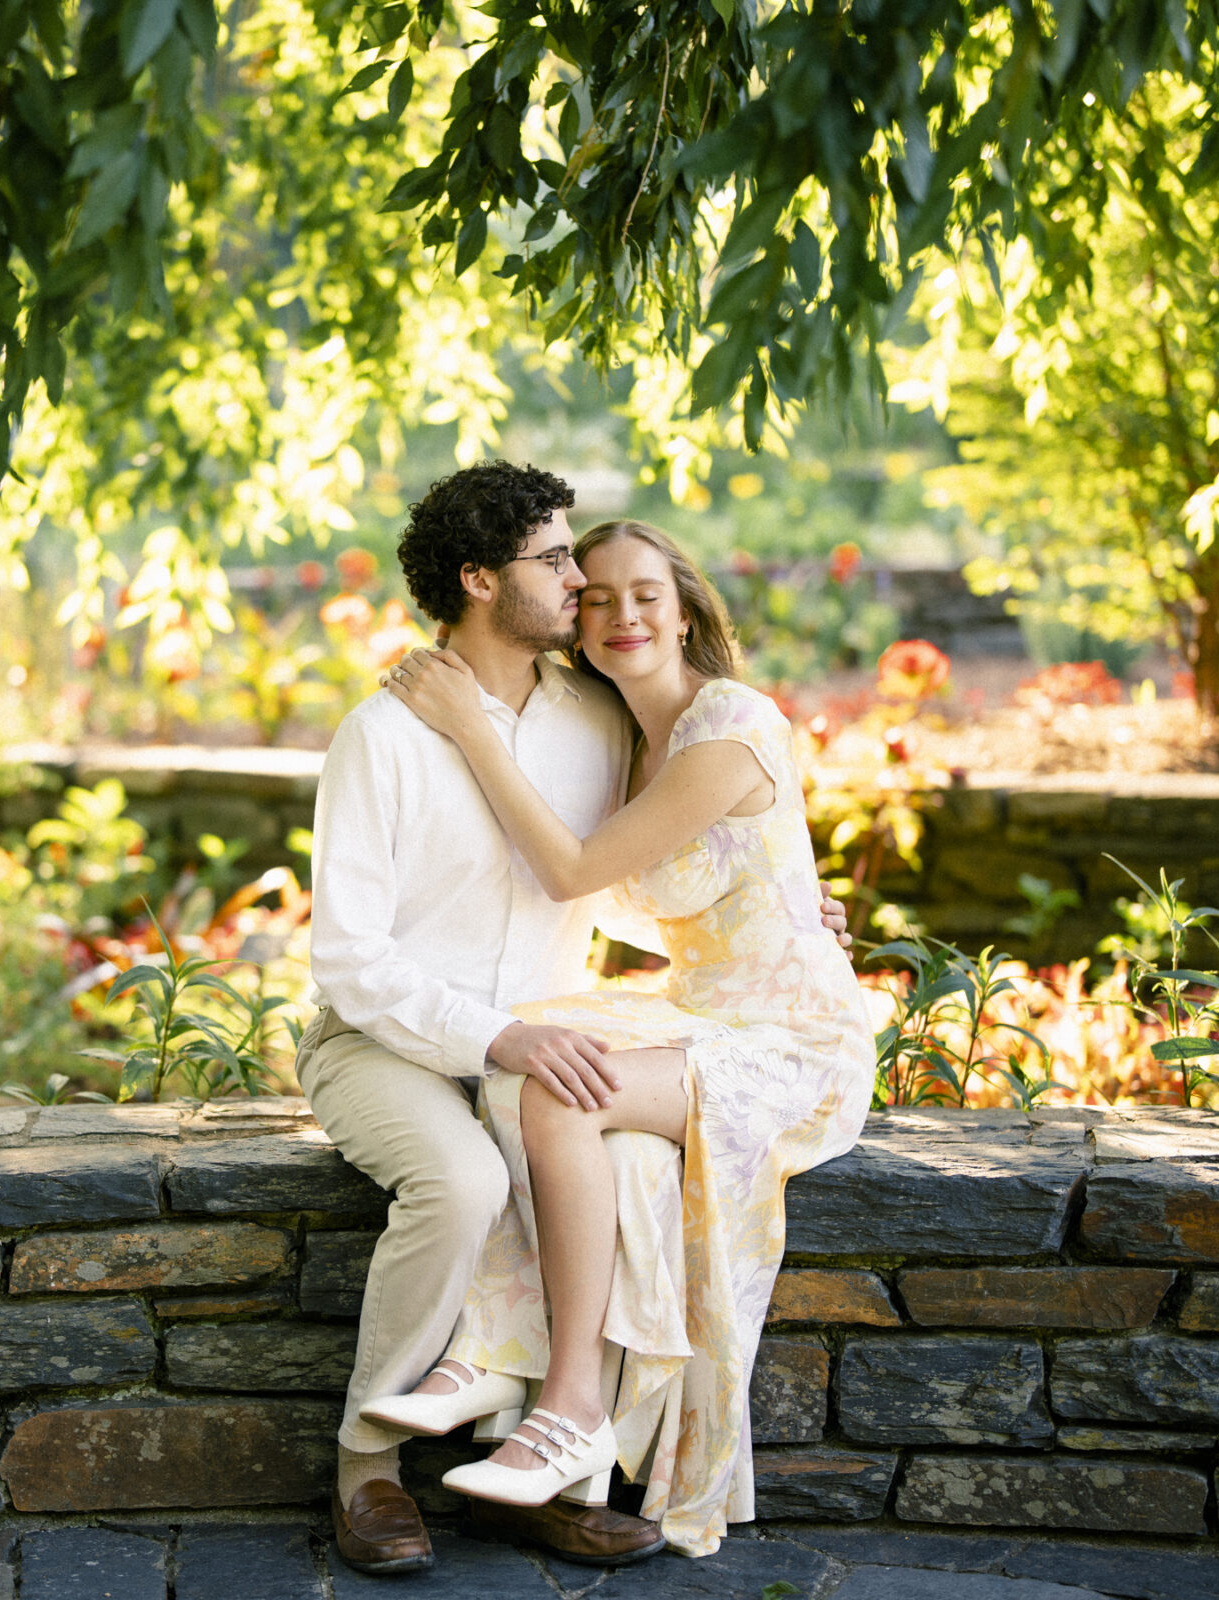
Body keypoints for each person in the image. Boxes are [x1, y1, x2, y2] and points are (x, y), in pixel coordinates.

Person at [303, 467, 858, 1575]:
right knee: (464, 1180)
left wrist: (777, 903)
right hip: (391, 1040)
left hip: (543, 1029)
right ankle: (366, 1465)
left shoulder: (593, 717)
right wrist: (497, 1038)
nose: (581, 583)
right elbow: (348, 958)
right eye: (557, 563)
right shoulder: (388, 731)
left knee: (636, 1172)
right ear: (478, 579)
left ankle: (540, 1460)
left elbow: (612, 882)